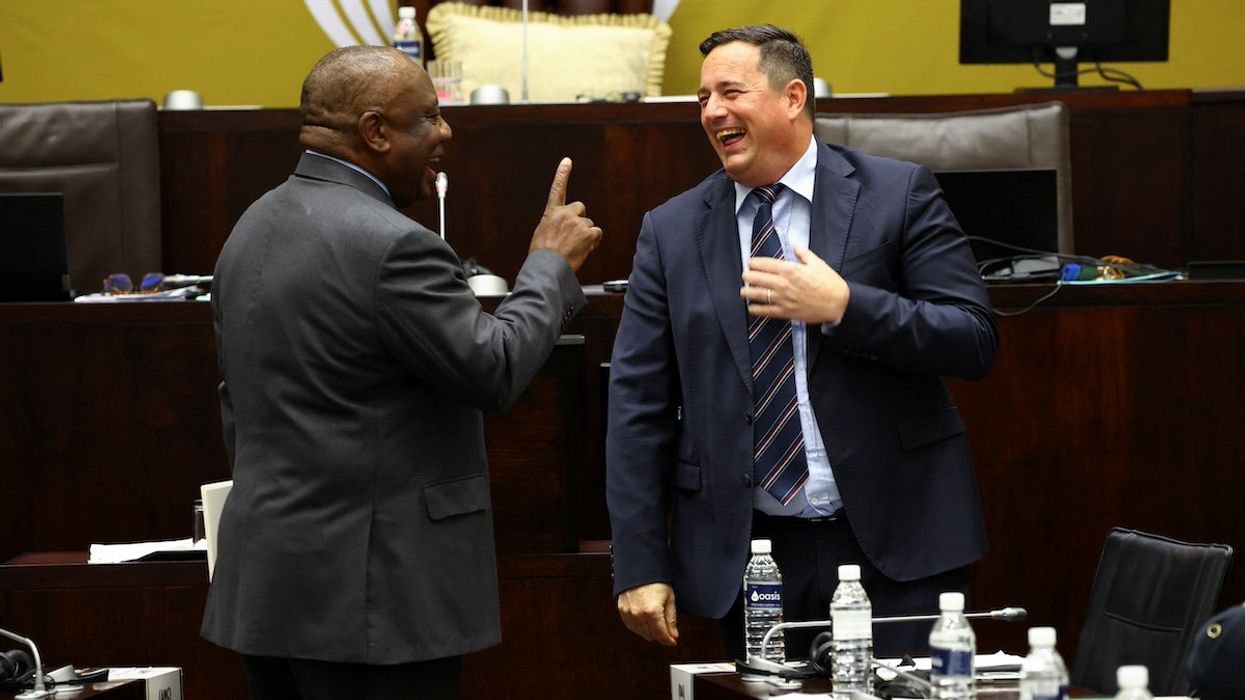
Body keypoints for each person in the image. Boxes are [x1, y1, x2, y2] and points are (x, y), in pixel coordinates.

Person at [200, 45, 602, 699]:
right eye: (428, 118)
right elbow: (492, 369)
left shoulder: (252, 226)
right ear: (375, 130)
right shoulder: (393, 244)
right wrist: (548, 265)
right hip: (373, 603)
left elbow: (237, 405)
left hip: (268, 592)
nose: (446, 132)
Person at [605, 24, 998, 660]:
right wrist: (640, 562)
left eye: (730, 92)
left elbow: (972, 339)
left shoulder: (897, 195)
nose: (712, 112)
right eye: (702, 98)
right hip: (754, 559)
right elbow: (636, 407)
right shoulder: (671, 230)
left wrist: (844, 306)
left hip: (896, 545)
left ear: (793, 97)